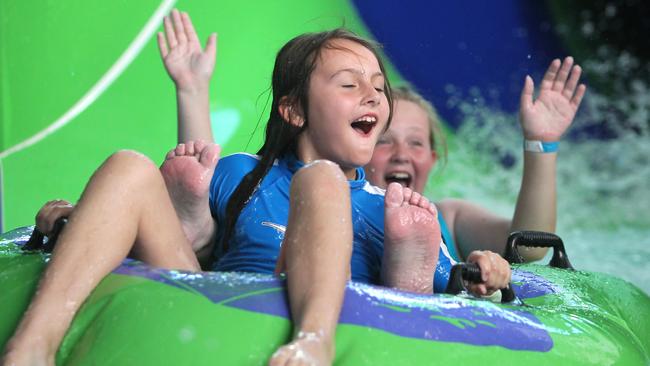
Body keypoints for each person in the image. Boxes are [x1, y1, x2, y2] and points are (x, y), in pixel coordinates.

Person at [1, 10, 510, 366]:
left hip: (341, 313)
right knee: (129, 166)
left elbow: (467, 291)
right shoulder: (246, 172)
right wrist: (73, 217)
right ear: (294, 110)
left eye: (378, 86)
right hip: (209, 298)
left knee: (325, 182)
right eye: (350, 84)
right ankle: (31, 346)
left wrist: (486, 274)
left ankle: (322, 338)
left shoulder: (396, 208)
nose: (374, 95)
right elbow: (139, 215)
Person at [365, 60, 586, 262]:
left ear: (432, 160)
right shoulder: (341, 212)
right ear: (359, 150)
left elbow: (528, 247)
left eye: (416, 143)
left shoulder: (451, 220)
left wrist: (540, 144)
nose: (402, 154)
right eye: (384, 141)